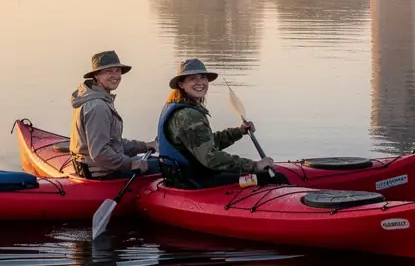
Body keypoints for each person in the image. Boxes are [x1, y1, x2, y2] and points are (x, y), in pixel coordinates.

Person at [155, 58, 282, 187]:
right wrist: (254, 166)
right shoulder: (189, 115)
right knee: (271, 178)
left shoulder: (175, 105)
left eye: (203, 77)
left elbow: (203, 143)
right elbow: (210, 158)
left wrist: (238, 132)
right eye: (192, 79)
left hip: (182, 177)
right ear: (181, 85)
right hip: (196, 183)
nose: (199, 82)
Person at [70, 51, 158, 179]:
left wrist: (145, 146)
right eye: (109, 71)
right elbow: (100, 153)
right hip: (100, 172)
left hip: (95, 166)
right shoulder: (98, 107)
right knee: (168, 166)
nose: (115, 76)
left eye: (117, 71)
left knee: (153, 161)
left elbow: (113, 143)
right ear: (96, 75)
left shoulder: (96, 97)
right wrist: (131, 164)